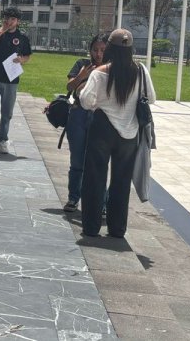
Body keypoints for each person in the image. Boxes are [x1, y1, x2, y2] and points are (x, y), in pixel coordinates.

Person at [78, 27, 156, 239]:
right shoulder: (140, 71)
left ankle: (91, 227)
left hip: (102, 128)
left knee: (95, 178)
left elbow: (85, 101)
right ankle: (117, 228)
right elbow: (152, 98)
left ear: (110, 48)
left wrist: (100, 102)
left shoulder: (99, 73)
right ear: (131, 49)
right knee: (121, 182)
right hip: (129, 133)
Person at [63, 32, 109, 213]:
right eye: (95, 50)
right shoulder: (83, 65)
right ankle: (73, 198)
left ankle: (102, 203)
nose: (98, 54)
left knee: (99, 162)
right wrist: (82, 76)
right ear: (90, 50)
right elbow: (70, 87)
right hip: (79, 116)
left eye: (103, 50)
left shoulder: (109, 69)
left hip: (100, 117)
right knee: (77, 160)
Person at [0, 7, 32, 155]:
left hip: (11, 79)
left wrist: (21, 60)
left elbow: (28, 55)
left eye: (12, 19)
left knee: (7, 111)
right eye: (7, 18)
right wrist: (0, 32)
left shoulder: (22, 37)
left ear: (18, 21)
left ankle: (3, 140)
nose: (9, 22)